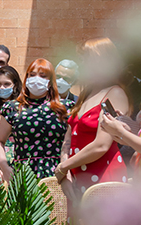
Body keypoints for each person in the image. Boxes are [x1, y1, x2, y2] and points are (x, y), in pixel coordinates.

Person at [54, 39, 129, 196]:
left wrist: (64, 167)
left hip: (103, 175)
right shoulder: (85, 94)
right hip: (75, 177)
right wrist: (65, 172)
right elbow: (68, 139)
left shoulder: (115, 93)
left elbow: (101, 145)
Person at [0, 59, 68, 180]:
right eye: (32, 75)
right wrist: (4, 166)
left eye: (42, 76)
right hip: (24, 174)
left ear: (50, 82)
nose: (36, 79)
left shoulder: (65, 108)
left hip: (58, 174)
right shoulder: (12, 108)